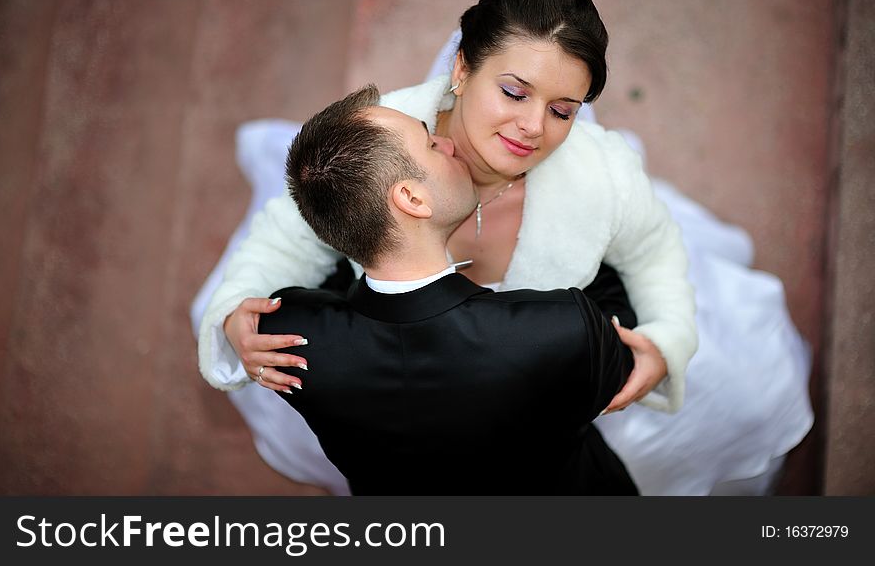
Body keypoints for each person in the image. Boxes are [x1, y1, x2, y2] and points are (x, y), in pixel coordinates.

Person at [192, 0, 813, 495]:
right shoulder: (382, 147)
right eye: (514, 91)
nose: (532, 128)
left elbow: (653, 254)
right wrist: (233, 317)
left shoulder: (602, 174)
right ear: (462, 68)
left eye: (562, 110)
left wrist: (669, 340)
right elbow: (282, 241)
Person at [255, 85, 639, 494]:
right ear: (411, 198)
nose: (449, 143)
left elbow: (317, 293)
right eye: (430, 143)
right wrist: (592, 259)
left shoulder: (287, 332)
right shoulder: (564, 328)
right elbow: (624, 364)